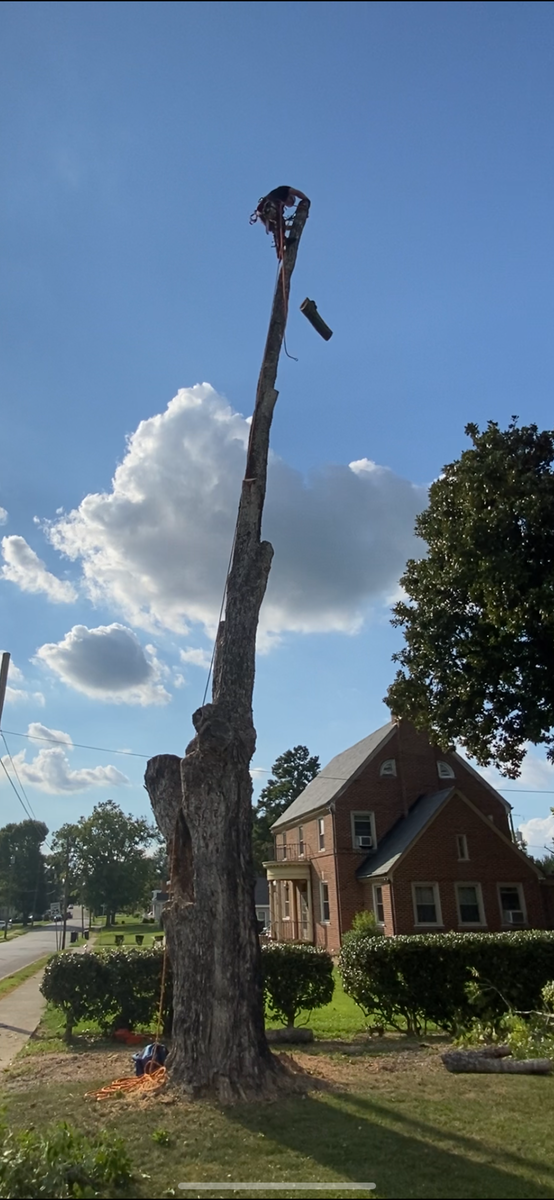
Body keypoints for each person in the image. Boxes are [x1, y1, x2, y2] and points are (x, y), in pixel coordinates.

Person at [250, 186, 309, 258]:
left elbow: (281, 227)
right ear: (290, 197)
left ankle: (279, 251)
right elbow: (297, 193)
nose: (290, 203)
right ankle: (282, 244)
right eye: (291, 202)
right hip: (268, 207)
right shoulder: (285, 191)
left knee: (276, 229)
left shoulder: (279, 203)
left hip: (263, 212)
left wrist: (292, 227)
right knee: (279, 223)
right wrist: (306, 199)